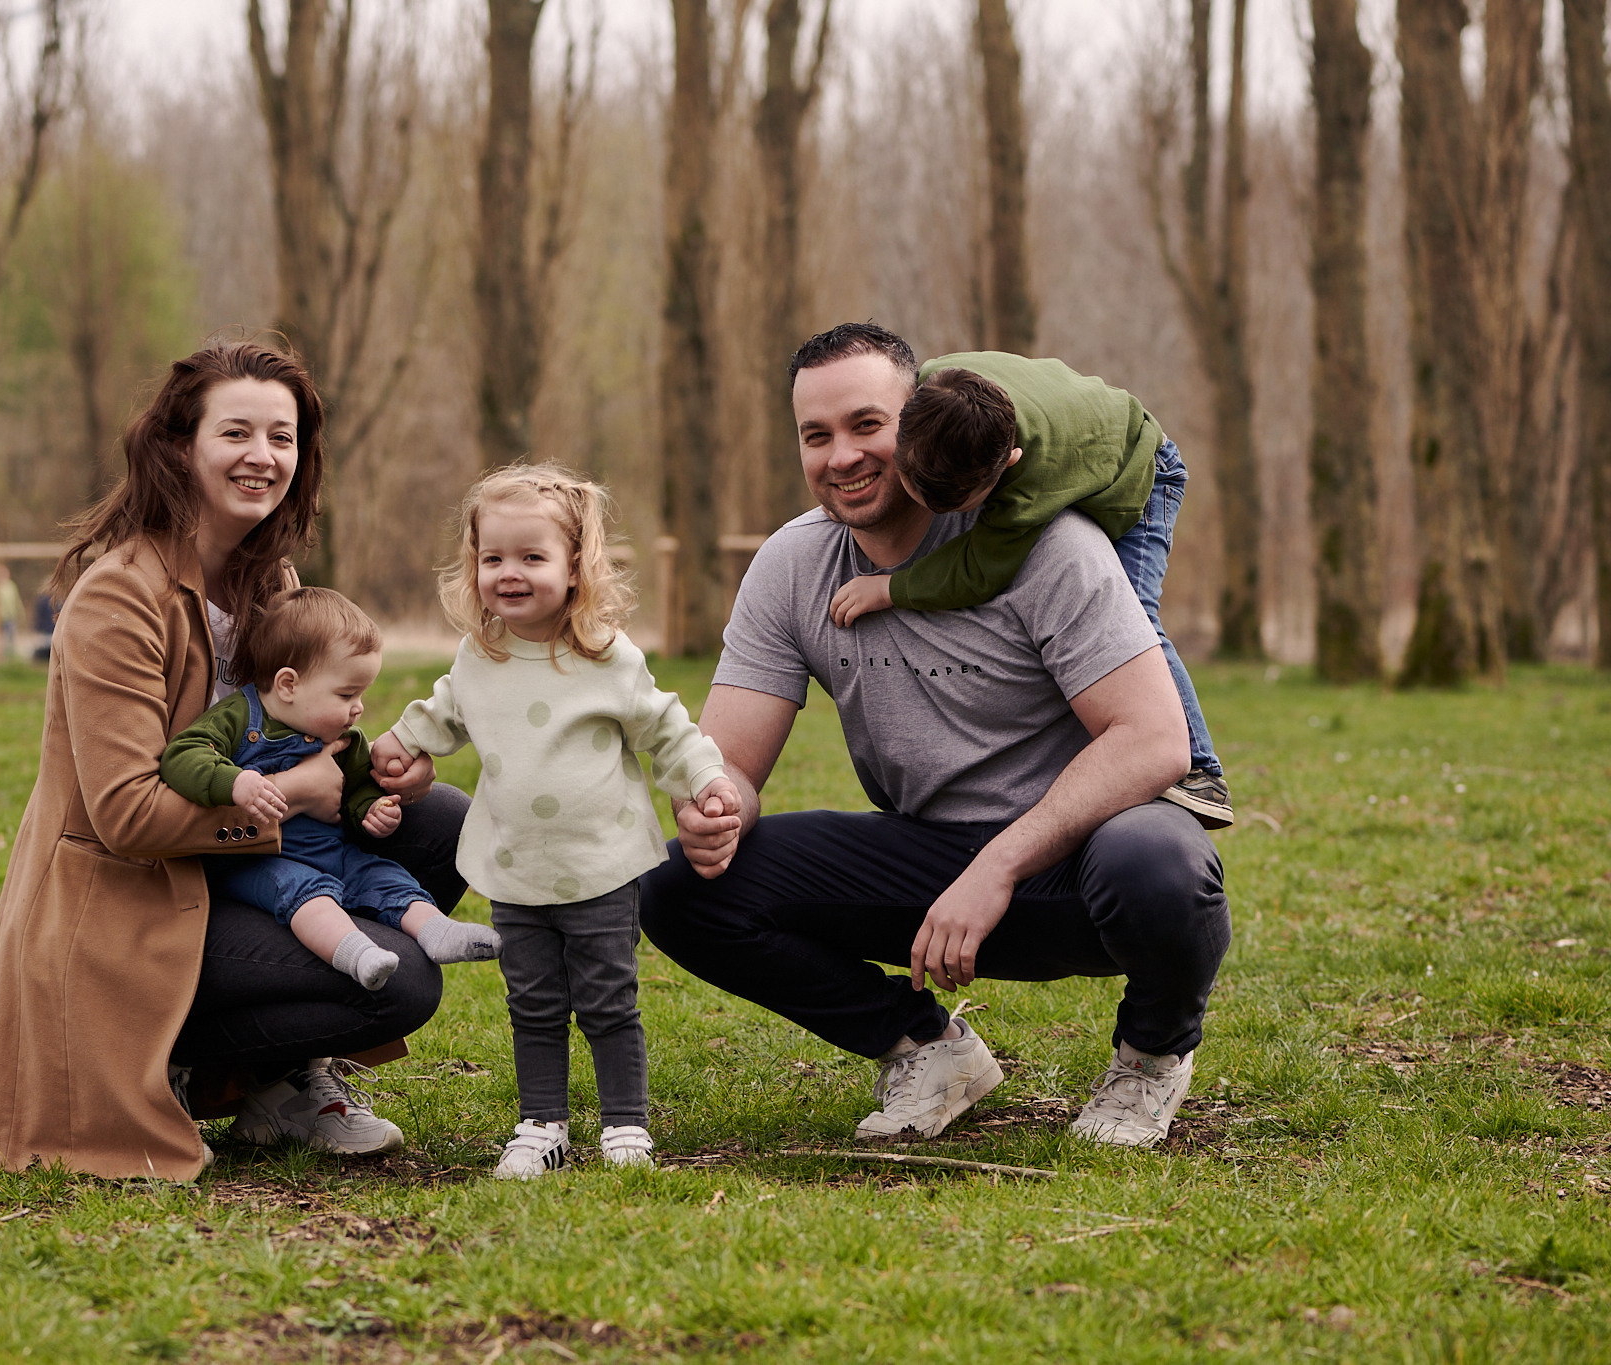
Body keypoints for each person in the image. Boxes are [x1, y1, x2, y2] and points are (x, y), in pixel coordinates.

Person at [640, 323, 1231, 1149]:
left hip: (1082, 861)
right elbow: (731, 760)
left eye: (865, 425)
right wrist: (716, 804)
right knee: (681, 888)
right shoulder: (791, 566)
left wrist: (999, 865)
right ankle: (926, 1049)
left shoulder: (1046, 542)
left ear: (916, 420)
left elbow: (1156, 741)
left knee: (1165, 863)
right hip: (925, 865)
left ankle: (1150, 1058)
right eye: (817, 435)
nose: (841, 455)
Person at [0, 341, 464, 1180]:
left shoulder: (270, 581)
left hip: (228, 878)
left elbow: (297, 734)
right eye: (236, 432)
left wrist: (363, 770)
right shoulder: (118, 597)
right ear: (179, 447)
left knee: (441, 820)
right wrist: (289, 799)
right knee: (406, 979)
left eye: (283, 436)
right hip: (129, 903)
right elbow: (126, 814)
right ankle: (169, 1061)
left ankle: (278, 1079)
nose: (262, 456)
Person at [370, 464, 742, 1179]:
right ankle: (542, 1124)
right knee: (534, 1002)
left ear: (575, 568)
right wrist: (400, 744)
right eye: (493, 558)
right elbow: (441, 712)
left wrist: (705, 778)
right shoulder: (479, 656)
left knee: (607, 998)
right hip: (517, 867)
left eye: (532, 557)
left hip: (600, 864)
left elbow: (668, 729)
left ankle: (625, 1124)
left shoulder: (605, 656)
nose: (509, 573)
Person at [824, 354, 1231, 828]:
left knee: (1130, 618)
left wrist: (889, 589)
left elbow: (977, 572)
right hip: (1077, 419)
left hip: (1143, 466)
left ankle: (1199, 769)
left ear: (1008, 465)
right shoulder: (935, 384)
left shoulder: (1026, 492)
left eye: (953, 506)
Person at [160, 586, 502, 996]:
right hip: (259, 860)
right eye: (346, 694)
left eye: (360, 694)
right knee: (304, 893)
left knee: (382, 875)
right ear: (288, 685)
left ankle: (437, 931)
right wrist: (233, 782)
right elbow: (181, 755)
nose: (358, 708)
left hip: (331, 850)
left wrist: (371, 809)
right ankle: (356, 954)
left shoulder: (344, 738)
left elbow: (354, 787)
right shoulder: (237, 717)